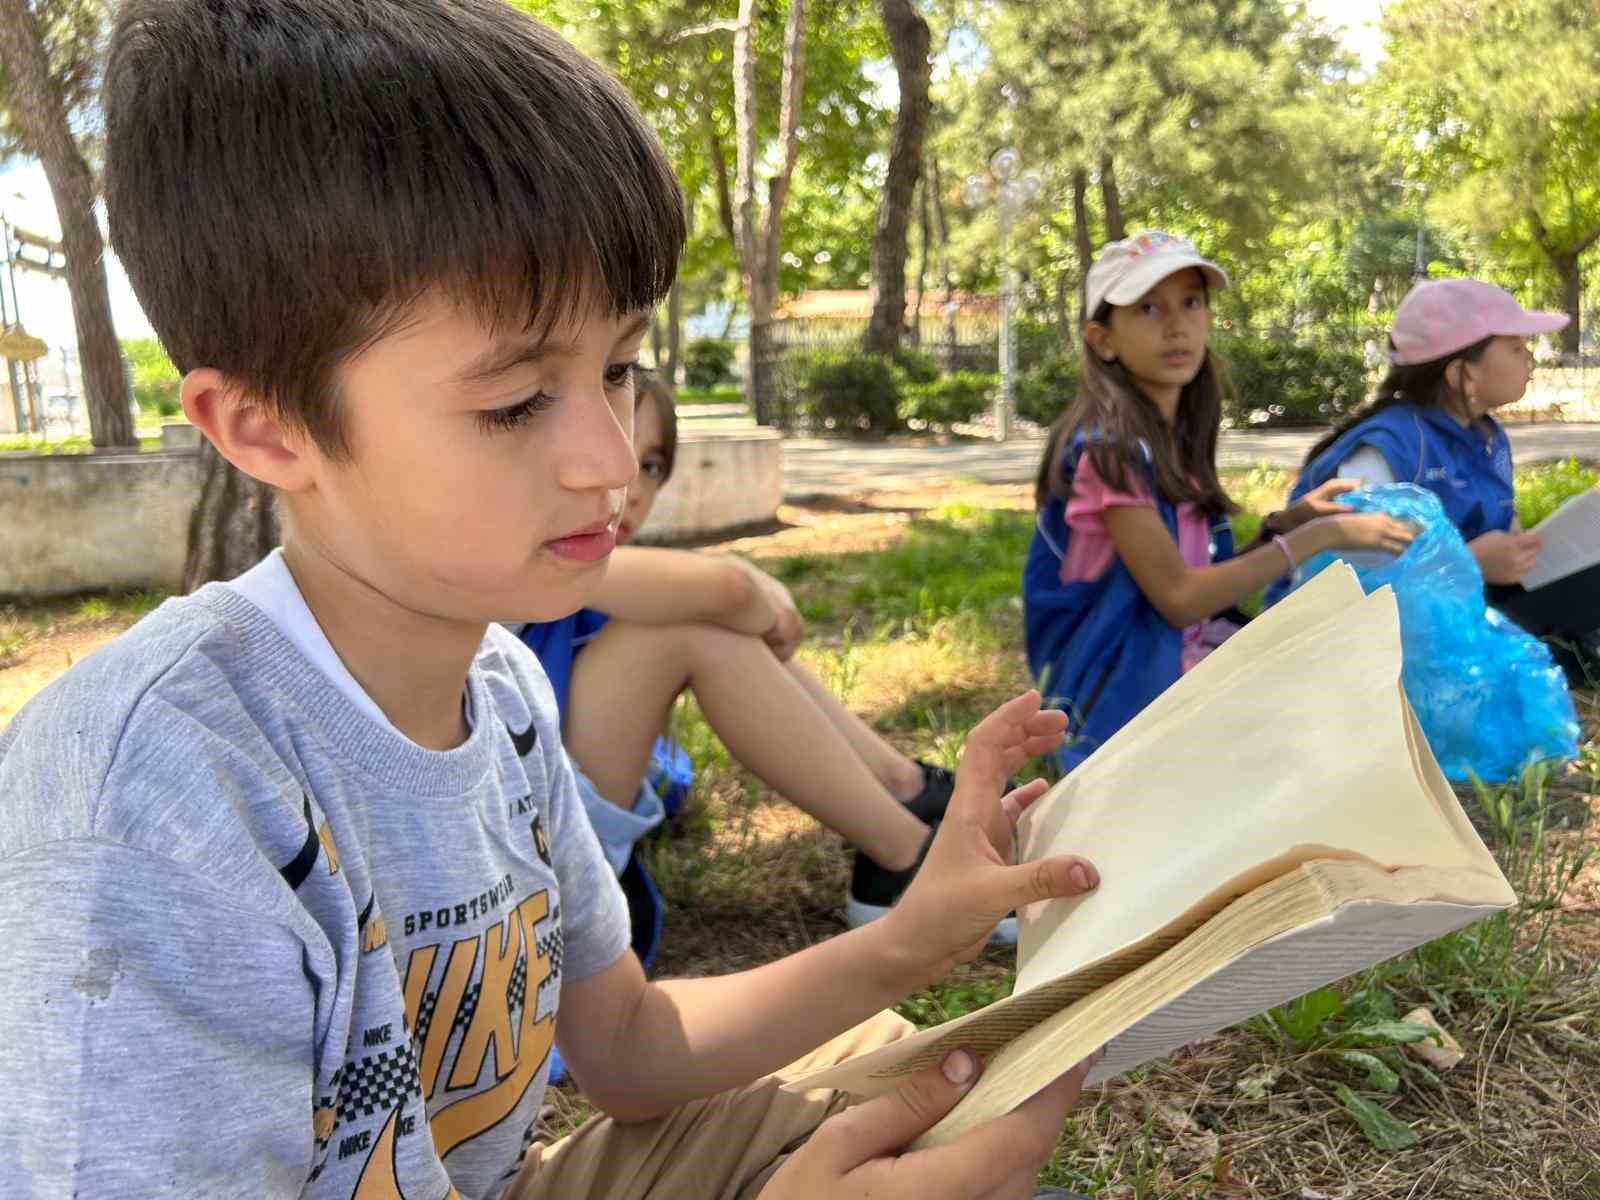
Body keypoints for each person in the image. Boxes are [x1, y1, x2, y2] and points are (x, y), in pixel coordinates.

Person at [0, 3, 1105, 1197]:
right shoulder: (157, 801)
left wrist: (909, 939)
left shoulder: (504, 691)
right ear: (266, 428)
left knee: (931, 1096)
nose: (611, 458)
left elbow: (627, 1050)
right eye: (518, 401)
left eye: (619, 369)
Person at [519, 370, 984, 949]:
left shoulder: (579, 561)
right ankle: (905, 858)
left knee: (694, 617)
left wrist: (742, 595)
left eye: (653, 465)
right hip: (528, 851)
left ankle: (903, 786)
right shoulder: (517, 555)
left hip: (559, 809)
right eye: (613, 444)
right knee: (689, 632)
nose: (633, 484)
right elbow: (728, 596)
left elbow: (722, 594)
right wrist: (754, 596)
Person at [1024, 231, 1416, 771]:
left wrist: (1283, 525)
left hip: (1170, 659)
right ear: (1102, 340)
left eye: (1191, 302)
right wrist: (1317, 538)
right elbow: (1180, 598)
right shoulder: (1108, 453)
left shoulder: (1168, 438)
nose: (1177, 324)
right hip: (1116, 691)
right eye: (1147, 308)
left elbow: (1198, 582)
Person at [1282, 277, 1599, 685]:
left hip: (1468, 607)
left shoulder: (1487, 434)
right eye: (1517, 348)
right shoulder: (1388, 448)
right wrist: (1470, 561)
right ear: (1460, 373)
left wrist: (1518, 547)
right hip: (1396, 637)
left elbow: (1501, 519)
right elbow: (1350, 578)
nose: (1530, 359)